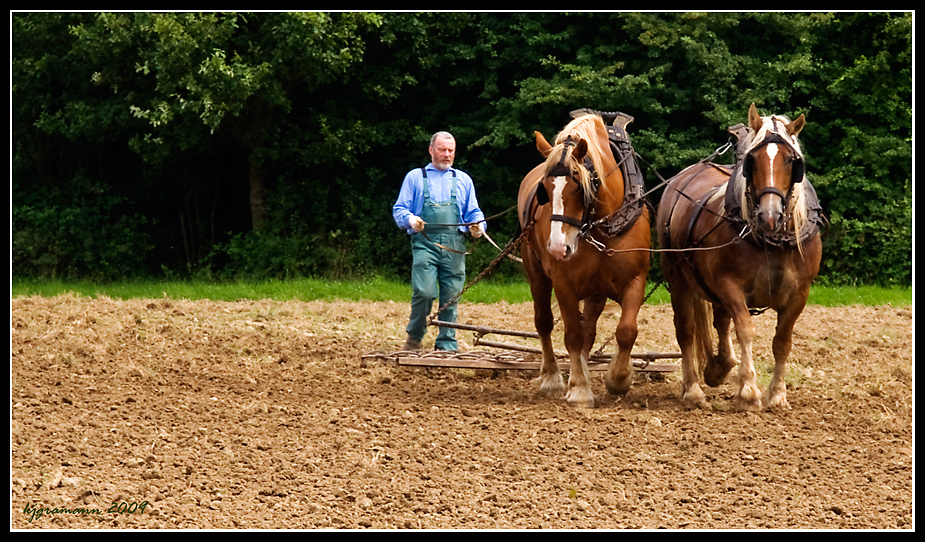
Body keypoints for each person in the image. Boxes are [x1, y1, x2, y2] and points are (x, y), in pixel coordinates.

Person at [392, 131, 486, 352]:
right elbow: (399, 209)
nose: (447, 154)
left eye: (451, 150)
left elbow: (474, 212)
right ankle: (414, 338)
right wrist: (410, 220)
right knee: (424, 292)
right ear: (431, 150)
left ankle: (446, 344)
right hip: (425, 243)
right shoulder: (415, 177)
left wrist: (478, 227)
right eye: (442, 149)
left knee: (451, 297)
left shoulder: (463, 179)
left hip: (455, 245)